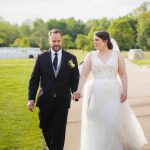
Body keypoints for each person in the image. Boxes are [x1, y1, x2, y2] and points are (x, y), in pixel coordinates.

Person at [73, 31, 147, 150]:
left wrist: (125, 90)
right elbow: (84, 75)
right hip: (96, 95)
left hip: (113, 93)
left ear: (105, 41)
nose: (94, 42)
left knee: (113, 122)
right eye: (93, 40)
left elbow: (123, 74)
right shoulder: (90, 56)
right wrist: (79, 90)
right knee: (98, 123)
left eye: (96, 40)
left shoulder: (117, 55)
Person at [27, 29, 79, 150]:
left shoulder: (71, 58)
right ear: (49, 41)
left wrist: (75, 91)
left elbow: (74, 78)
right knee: (45, 127)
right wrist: (31, 99)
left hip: (62, 100)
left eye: (58, 41)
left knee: (59, 132)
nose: (56, 43)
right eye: (54, 41)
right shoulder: (41, 58)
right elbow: (34, 80)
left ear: (62, 41)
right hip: (45, 100)